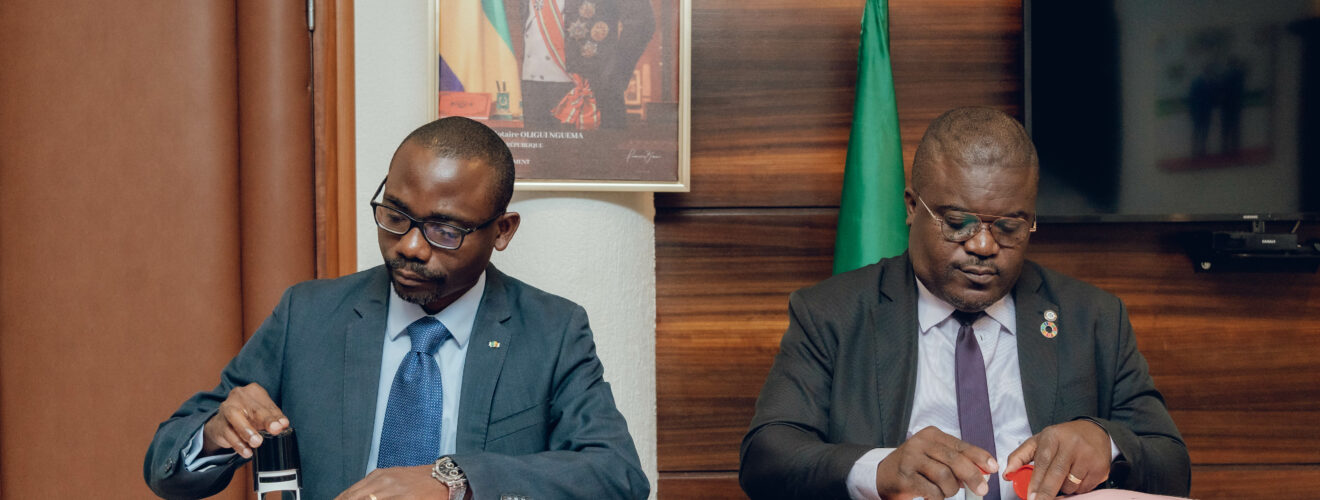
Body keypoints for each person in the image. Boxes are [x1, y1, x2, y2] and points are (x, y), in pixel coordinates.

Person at [144, 117, 649, 500]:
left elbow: (616, 474)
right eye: (395, 215)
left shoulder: (552, 331)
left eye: (444, 230)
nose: (409, 246)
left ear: (502, 231)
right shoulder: (309, 316)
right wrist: (214, 435)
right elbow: (167, 463)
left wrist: (453, 481)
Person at [739, 107, 1190, 500]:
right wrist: (878, 469)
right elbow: (766, 458)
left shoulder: (1091, 318)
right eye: (958, 223)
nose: (983, 246)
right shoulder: (831, 314)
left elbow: (1172, 465)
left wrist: (1105, 442)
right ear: (912, 207)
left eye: (1009, 227)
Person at [506, 0, 655, 129]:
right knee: (537, 152)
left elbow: (642, 22)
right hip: (533, 89)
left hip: (587, 89)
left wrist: (613, 78)